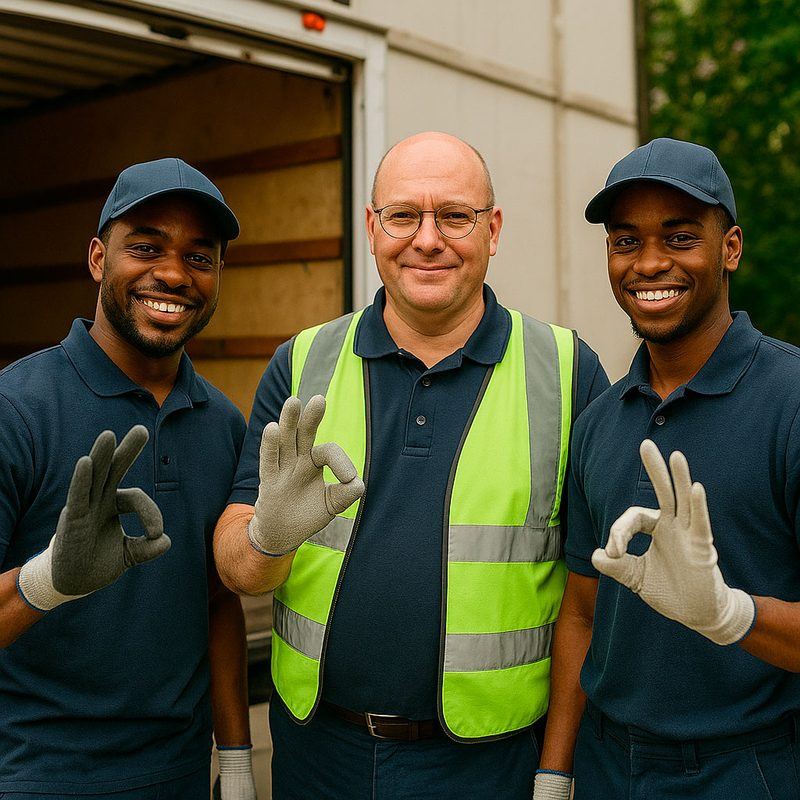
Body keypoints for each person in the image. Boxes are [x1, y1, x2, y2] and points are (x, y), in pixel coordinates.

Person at [214, 131, 609, 799]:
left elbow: (588, 601)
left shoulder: (566, 373)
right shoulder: (303, 362)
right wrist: (264, 540)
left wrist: (558, 766)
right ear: (372, 229)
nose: (428, 239)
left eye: (455, 215)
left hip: (494, 763)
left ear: (494, 230)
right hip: (319, 756)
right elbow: (233, 562)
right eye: (403, 215)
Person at [533, 138, 800, 800]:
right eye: (626, 242)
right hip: (606, 767)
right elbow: (582, 612)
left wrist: (732, 615)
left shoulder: (791, 400)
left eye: (679, 238)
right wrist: (555, 770)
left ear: (730, 248)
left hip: (750, 768)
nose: (649, 262)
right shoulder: (597, 422)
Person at [0, 158, 257, 799]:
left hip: (177, 776)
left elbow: (219, 602)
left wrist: (238, 762)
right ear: (97, 258)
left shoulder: (224, 423)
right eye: (145, 247)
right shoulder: (17, 408)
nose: (172, 273)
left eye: (199, 257)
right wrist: (46, 582)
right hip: (37, 776)